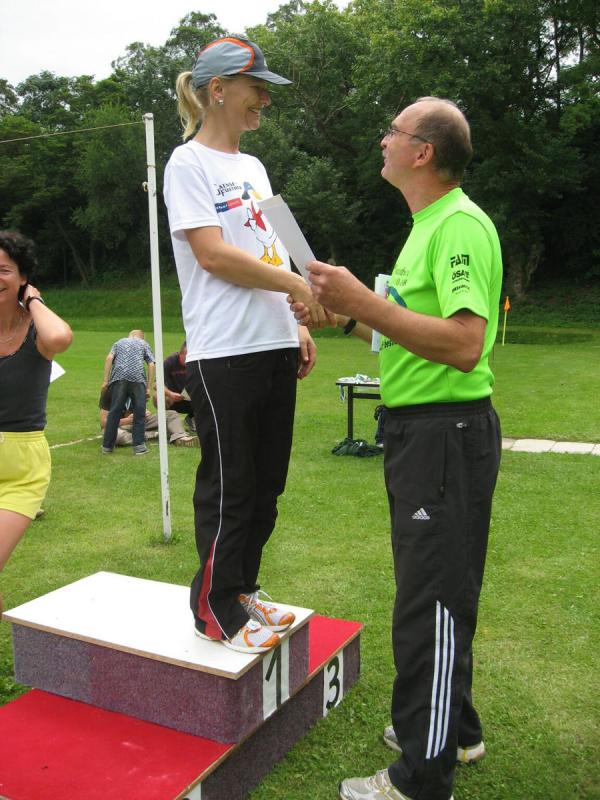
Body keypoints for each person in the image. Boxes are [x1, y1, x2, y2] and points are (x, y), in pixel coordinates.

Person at [293, 98, 502, 800]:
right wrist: (345, 314)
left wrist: (364, 300)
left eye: (393, 131)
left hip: (444, 433)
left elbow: (466, 344)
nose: (381, 140)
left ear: (423, 152)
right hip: (422, 432)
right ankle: (455, 731)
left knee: (430, 601)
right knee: (435, 588)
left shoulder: (458, 226)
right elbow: (403, 333)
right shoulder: (426, 228)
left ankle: (421, 777)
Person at [163, 36, 329, 654]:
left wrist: (298, 321)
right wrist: (294, 285)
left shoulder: (254, 168)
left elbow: (272, 249)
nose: (264, 98)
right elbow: (211, 253)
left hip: (273, 343)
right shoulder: (187, 164)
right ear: (218, 90)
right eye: (256, 87)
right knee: (230, 489)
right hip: (223, 352)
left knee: (265, 488)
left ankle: (242, 589)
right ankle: (214, 608)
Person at [0, 230, 72, 619]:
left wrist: (34, 300)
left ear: (23, 276)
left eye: (3, 270)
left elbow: (59, 337)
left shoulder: (36, 331)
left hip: (20, 470)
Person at [101, 330, 155, 455]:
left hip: (118, 378)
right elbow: (151, 364)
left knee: (114, 412)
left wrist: (105, 381)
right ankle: (139, 447)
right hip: (138, 379)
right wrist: (148, 387)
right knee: (139, 413)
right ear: (142, 337)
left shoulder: (119, 342)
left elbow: (109, 358)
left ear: (130, 335)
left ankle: (107, 447)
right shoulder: (143, 344)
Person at [99, 385, 197, 447]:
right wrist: (127, 420)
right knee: (115, 435)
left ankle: (180, 437)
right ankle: (152, 435)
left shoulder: (138, 388)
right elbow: (103, 423)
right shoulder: (109, 392)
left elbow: (140, 410)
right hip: (119, 426)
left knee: (171, 414)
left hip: (138, 423)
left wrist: (145, 412)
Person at [161, 341, 195, 432]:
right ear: (180, 354)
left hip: (191, 397)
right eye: (187, 357)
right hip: (173, 398)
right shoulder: (169, 362)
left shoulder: (195, 363)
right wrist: (170, 394)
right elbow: (157, 385)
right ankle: (167, 420)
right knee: (158, 397)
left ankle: (192, 418)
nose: (189, 360)